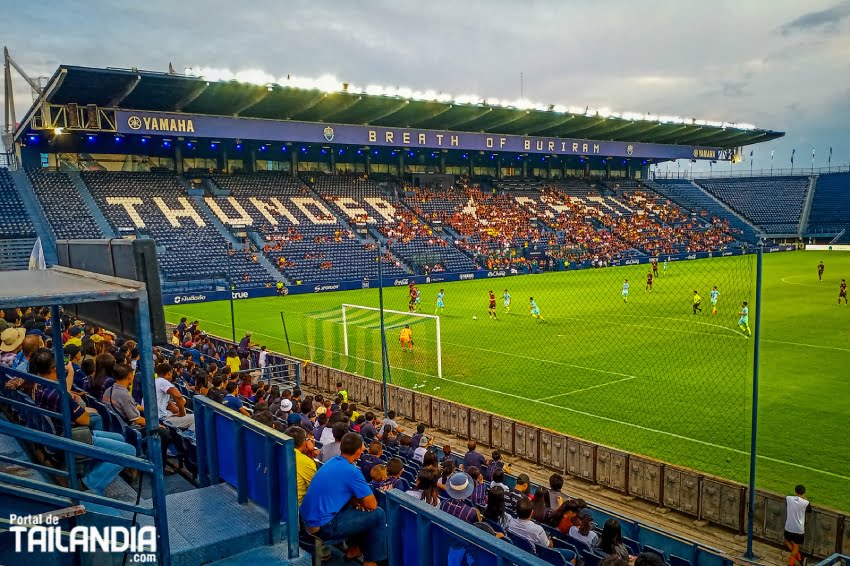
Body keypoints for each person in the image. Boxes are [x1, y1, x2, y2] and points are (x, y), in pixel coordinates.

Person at [30, 349, 136, 496]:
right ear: (55, 368)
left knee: (120, 438)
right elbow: (85, 420)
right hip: (73, 435)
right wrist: (80, 403)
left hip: (63, 432)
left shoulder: (38, 384)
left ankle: (94, 470)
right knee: (130, 451)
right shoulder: (59, 394)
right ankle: (89, 483)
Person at [300, 433, 387, 566]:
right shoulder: (352, 472)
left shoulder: (332, 461)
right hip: (323, 526)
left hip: (306, 520)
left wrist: (356, 502)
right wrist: (361, 503)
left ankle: (355, 548)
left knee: (357, 507)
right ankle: (371, 561)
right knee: (378, 514)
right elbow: (372, 505)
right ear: (358, 452)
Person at [103, 365, 175, 474]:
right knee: (164, 433)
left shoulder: (109, 390)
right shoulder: (124, 395)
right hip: (129, 430)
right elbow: (137, 420)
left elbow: (127, 405)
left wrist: (141, 407)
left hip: (117, 425)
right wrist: (156, 425)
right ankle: (159, 466)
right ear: (129, 376)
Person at [155, 363, 196, 430]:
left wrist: (178, 411)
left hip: (155, 417)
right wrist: (182, 413)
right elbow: (179, 397)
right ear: (169, 373)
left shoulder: (155, 381)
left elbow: (169, 404)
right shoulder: (163, 381)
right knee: (194, 418)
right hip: (161, 419)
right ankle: (189, 439)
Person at [286, 426, 316, 505]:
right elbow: (316, 488)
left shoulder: (278, 451)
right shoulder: (306, 462)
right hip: (294, 508)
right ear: (303, 442)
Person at [784, 484, 811, 566]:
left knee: (786, 541)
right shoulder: (806, 502)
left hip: (788, 527)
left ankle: (799, 558)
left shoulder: (788, 498)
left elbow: (788, 504)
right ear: (804, 492)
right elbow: (809, 511)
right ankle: (791, 564)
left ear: (795, 491)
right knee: (796, 547)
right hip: (798, 529)